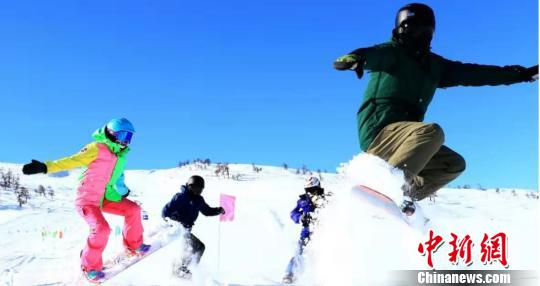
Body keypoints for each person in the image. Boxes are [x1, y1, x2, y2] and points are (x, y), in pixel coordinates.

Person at [333, 3, 538, 214]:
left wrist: (521, 74)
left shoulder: (435, 66)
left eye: (426, 31)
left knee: (453, 164)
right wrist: (356, 57)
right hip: (380, 132)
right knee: (431, 132)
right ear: (401, 29)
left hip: (409, 142)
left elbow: (476, 74)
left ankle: (403, 198)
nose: (420, 35)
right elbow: (373, 54)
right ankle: (386, 187)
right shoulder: (393, 52)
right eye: (414, 29)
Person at [21, 118, 150, 282]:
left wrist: (123, 191)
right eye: (123, 136)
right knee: (102, 229)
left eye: (129, 137)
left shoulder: (120, 156)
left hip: (106, 197)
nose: (126, 141)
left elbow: (119, 177)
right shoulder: (97, 148)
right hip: (88, 200)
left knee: (133, 209)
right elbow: (72, 160)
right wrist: (46, 167)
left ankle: (134, 245)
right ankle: (89, 267)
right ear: (111, 133)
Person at [161, 175, 225, 279]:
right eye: (195, 188)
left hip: (186, 230)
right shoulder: (181, 197)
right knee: (195, 247)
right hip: (178, 230)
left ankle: (181, 269)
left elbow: (207, 211)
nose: (198, 191)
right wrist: (172, 224)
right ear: (190, 186)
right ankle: (181, 269)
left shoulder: (199, 200)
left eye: (200, 189)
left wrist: (218, 210)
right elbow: (165, 212)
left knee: (196, 248)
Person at [283, 176, 327, 284]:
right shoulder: (302, 201)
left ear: (318, 188)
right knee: (299, 254)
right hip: (306, 234)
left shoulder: (326, 199)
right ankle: (290, 274)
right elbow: (293, 213)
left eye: (313, 189)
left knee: (324, 256)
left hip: (324, 234)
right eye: (308, 190)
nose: (311, 192)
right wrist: (301, 217)